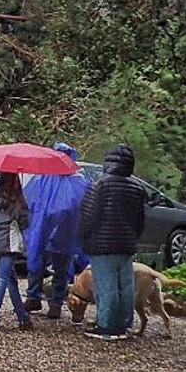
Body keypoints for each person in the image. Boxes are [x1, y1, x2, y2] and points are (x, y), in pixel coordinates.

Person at [78, 143, 146, 341]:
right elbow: (140, 220)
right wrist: (133, 237)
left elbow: (89, 215)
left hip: (102, 244)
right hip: (126, 245)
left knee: (106, 286)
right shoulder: (137, 187)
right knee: (125, 286)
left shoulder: (100, 184)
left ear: (108, 162)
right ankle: (124, 324)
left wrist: (83, 236)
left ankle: (106, 325)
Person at [23, 142, 90, 319]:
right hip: (64, 231)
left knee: (38, 263)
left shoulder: (42, 178)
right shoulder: (78, 180)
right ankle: (55, 303)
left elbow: (29, 201)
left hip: (43, 228)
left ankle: (34, 297)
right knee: (60, 268)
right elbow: (83, 205)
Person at [0, 172, 33, 331]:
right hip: (8, 242)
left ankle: (23, 317)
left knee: (11, 280)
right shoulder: (16, 199)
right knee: (2, 279)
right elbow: (25, 222)